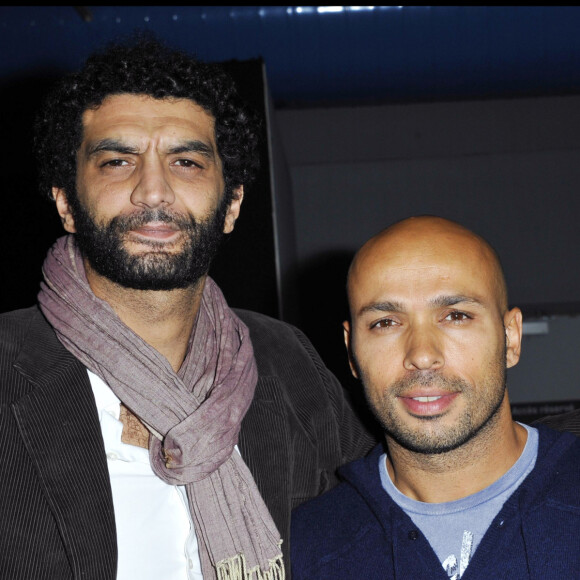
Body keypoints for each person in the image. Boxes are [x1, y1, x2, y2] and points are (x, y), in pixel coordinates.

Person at [0, 35, 376, 580]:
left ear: (233, 205)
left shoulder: (285, 362)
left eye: (186, 162)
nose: (153, 191)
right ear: (66, 204)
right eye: (115, 161)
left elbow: (389, 518)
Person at [291, 216, 580, 579]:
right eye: (385, 323)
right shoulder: (302, 547)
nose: (422, 354)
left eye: (455, 316)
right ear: (351, 352)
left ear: (511, 338)